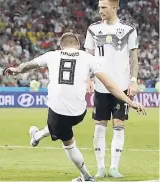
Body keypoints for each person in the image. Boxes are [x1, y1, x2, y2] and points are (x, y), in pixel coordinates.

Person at [5, 32, 146, 182]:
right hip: (79, 112)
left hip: (58, 110)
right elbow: (109, 84)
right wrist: (130, 102)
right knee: (58, 126)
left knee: (67, 141)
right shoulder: (88, 58)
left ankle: (86, 176)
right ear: (78, 46)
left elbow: (29, 65)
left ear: (61, 46)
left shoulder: (51, 55)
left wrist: (17, 70)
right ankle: (37, 136)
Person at [84, 0, 139, 178]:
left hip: (121, 87)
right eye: (99, 7)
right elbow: (88, 57)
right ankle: (100, 168)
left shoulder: (129, 30)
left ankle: (114, 167)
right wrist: (88, 79)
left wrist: (133, 80)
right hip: (100, 86)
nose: (100, 10)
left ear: (115, 8)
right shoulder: (93, 29)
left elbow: (134, 58)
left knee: (118, 125)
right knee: (99, 126)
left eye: (104, 7)